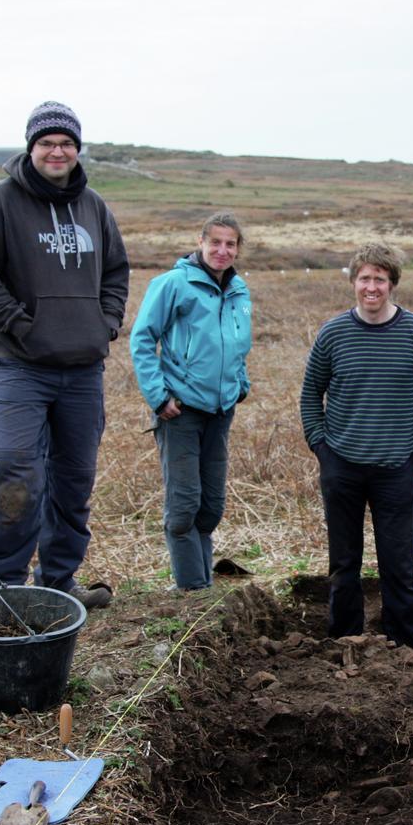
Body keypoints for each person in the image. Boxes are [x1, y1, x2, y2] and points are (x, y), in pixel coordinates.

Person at [0, 101, 129, 608]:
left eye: (65, 144)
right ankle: (1, 586)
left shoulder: (94, 206)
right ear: (31, 148)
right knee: (15, 470)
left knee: (73, 479)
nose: (56, 152)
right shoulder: (0, 202)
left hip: (83, 370)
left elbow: (116, 273)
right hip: (21, 368)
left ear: (77, 150)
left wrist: (104, 324)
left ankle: (58, 582)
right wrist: (22, 328)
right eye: (46, 144)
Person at [300, 243, 413, 649]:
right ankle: (344, 640)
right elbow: (311, 393)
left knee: (399, 565)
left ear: (392, 284)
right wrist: (321, 446)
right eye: (364, 278)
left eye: (380, 279)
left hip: (397, 467)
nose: (371, 287)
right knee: (344, 563)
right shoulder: (333, 333)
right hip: (342, 465)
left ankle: (406, 646)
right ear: (353, 283)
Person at [128, 214, 253, 591]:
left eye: (230, 244)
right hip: (180, 411)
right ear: (200, 242)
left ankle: (203, 584)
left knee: (211, 505)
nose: (222, 250)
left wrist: (240, 383)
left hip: (220, 412)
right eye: (215, 242)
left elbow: (237, 344)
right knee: (184, 506)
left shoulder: (238, 289)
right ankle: (191, 590)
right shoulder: (172, 284)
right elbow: (142, 340)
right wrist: (158, 396)